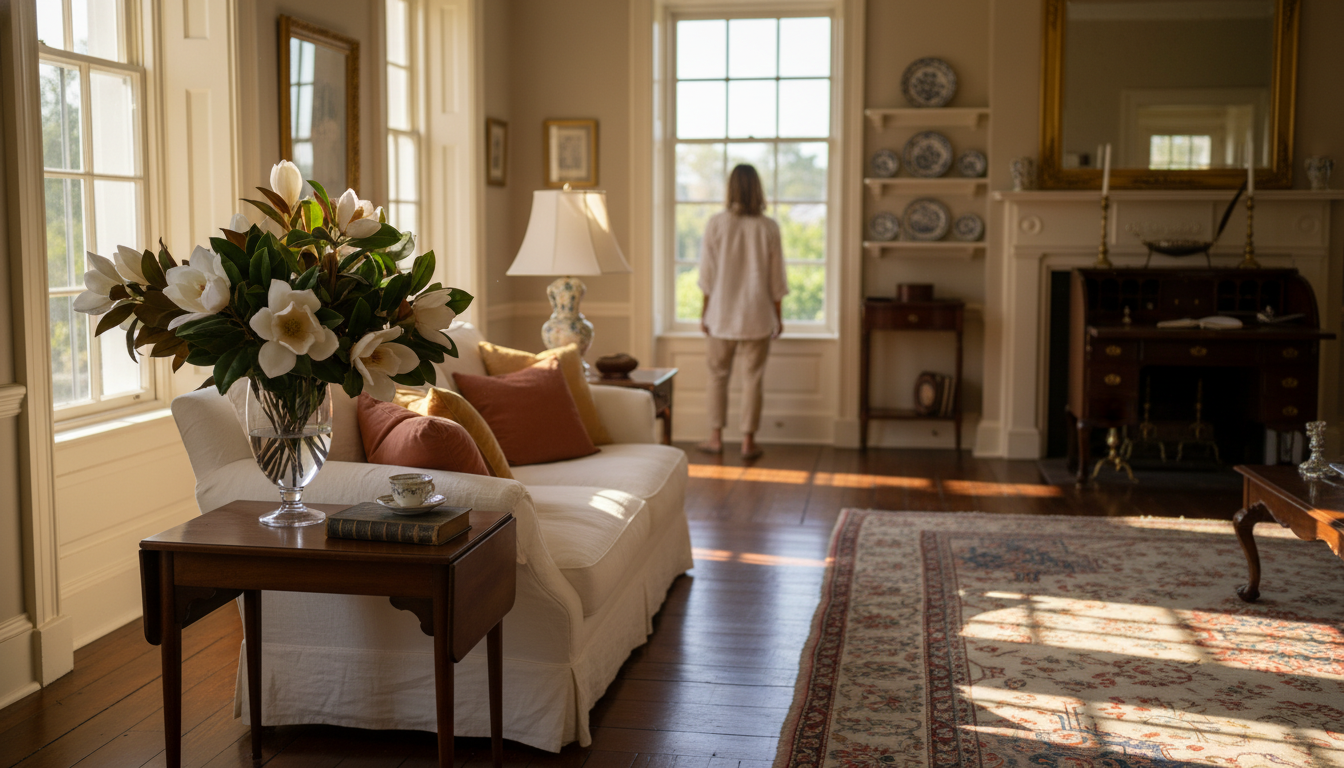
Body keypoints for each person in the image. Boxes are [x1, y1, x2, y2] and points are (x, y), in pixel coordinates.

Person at [696, 163, 787, 461]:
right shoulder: (768, 226)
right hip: (757, 315)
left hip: (721, 314)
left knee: (717, 376)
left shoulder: (716, 224)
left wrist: (704, 312)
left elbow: (707, 276)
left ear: (730, 188)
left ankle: (715, 437)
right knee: (753, 379)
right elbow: (777, 279)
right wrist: (779, 315)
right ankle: (748, 442)